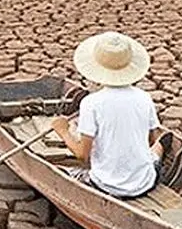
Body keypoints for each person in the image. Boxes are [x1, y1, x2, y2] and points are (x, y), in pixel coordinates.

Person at [50, 31, 165, 199]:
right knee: (159, 147)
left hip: (106, 186)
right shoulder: (144, 97)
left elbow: (82, 155)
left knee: (70, 171)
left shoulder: (92, 102)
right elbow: (152, 140)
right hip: (146, 183)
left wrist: (63, 131)